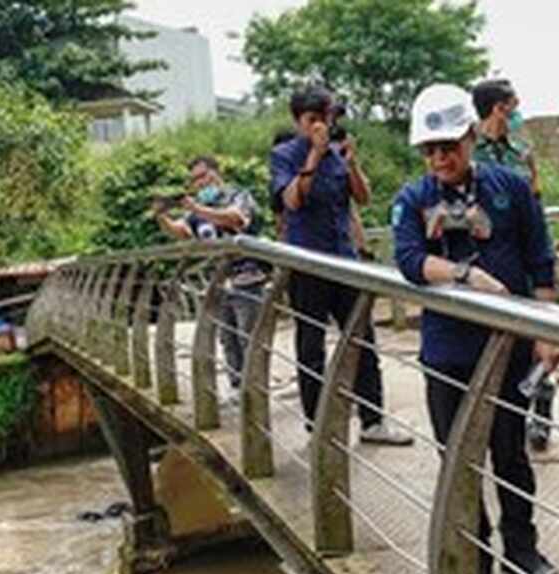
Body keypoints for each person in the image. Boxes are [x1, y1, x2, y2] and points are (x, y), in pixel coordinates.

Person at [392, 83, 559, 574]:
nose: (440, 158)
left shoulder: (509, 188)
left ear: (470, 137)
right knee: (458, 459)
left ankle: (522, 549)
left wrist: (548, 328)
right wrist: (466, 277)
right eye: (430, 150)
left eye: (449, 146)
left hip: (508, 348)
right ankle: (474, 553)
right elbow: (407, 260)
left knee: (510, 454)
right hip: (448, 352)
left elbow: (540, 260)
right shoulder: (414, 198)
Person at [270, 85, 412, 446]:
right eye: (312, 119)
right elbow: (292, 202)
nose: (321, 126)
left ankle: (372, 420)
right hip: (308, 265)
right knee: (311, 347)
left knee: (362, 340)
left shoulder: (338, 152)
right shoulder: (284, 155)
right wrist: (314, 157)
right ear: (298, 120)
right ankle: (318, 425)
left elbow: (362, 198)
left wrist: (351, 164)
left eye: (326, 118)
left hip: (345, 262)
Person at [470, 78, 555, 453]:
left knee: (542, 341)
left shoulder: (521, 149)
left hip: (528, 260)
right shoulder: (470, 151)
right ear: (499, 109)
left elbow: (535, 199)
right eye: (513, 106)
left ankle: (540, 416)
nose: (519, 113)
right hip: (491, 267)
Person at [154, 155, 264, 390]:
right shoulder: (196, 212)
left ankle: (256, 391)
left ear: (216, 172)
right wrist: (161, 216)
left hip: (247, 278)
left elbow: (237, 218)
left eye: (203, 175)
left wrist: (197, 208)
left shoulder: (237, 195)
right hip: (218, 282)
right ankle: (238, 389)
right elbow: (182, 231)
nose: (200, 183)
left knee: (250, 339)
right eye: (195, 180)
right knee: (228, 339)